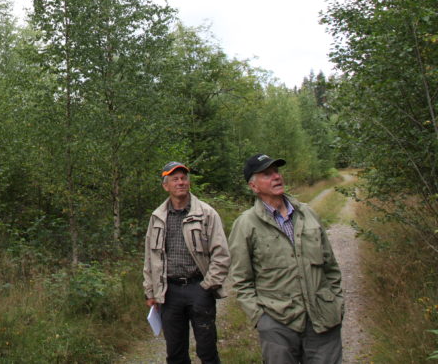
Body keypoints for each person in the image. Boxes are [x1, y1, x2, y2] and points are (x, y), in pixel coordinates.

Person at [227, 154, 344, 363]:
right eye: (266, 174)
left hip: (323, 319)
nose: (276, 177)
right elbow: (241, 280)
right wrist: (261, 319)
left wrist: (336, 302)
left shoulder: (307, 213)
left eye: (276, 172)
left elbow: (331, 266)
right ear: (254, 186)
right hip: (277, 324)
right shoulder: (246, 225)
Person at [143, 161, 230, 364]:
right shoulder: (157, 217)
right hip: (169, 292)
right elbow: (149, 258)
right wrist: (150, 291)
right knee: (175, 353)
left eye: (184, 178)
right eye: (175, 179)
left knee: (207, 351)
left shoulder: (207, 213)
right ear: (166, 185)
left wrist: (208, 286)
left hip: (199, 288)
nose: (181, 182)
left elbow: (222, 254)